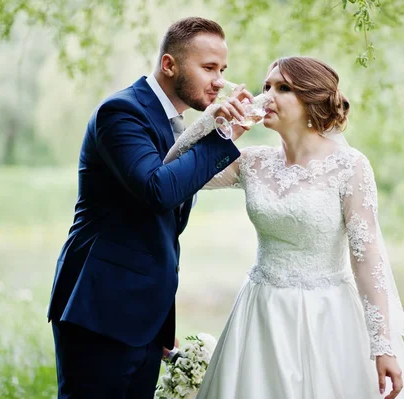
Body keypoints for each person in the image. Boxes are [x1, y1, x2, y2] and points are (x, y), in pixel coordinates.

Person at [165, 56, 404, 399]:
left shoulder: (350, 166)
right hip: (261, 312)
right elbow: (173, 173)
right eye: (266, 87)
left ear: (311, 99)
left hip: (329, 315)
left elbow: (367, 259)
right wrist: (213, 123)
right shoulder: (252, 162)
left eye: (283, 88)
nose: (267, 96)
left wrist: (383, 345)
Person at [47, 17, 252, 399]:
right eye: (208, 68)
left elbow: (160, 231)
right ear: (169, 65)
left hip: (143, 318)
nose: (219, 82)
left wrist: (158, 319)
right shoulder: (121, 113)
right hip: (99, 311)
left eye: (222, 70)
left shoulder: (178, 125)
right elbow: (157, 190)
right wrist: (223, 136)